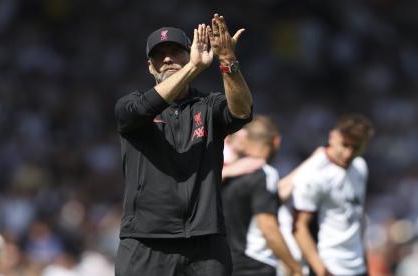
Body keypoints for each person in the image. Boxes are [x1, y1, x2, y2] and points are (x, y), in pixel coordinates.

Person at [114, 13, 253, 276]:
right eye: (159, 54)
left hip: (206, 241)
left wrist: (227, 61)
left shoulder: (209, 106)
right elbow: (142, 109)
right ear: (149, 67)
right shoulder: (130, 105)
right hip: (146, 240)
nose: (167, 59)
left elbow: (242, 111)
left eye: (176, 51)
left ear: (189, 53)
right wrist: (193, 67)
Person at [289, 114, 374, 276]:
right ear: (332, 137)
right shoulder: (313, 174)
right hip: (330, 266)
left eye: (356, 148)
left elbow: (358, 218)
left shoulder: (360, 167)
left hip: (358, 268)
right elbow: (299, 227)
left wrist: (364, 259)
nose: (348, 154)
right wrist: (322, 270)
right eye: (345, 145)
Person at [221, 115, 302, 276]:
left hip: (225, 264)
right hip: (256, 265)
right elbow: (268, 227)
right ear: (276, 141)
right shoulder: (266, 174)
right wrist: (294, 267)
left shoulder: (227, 175)